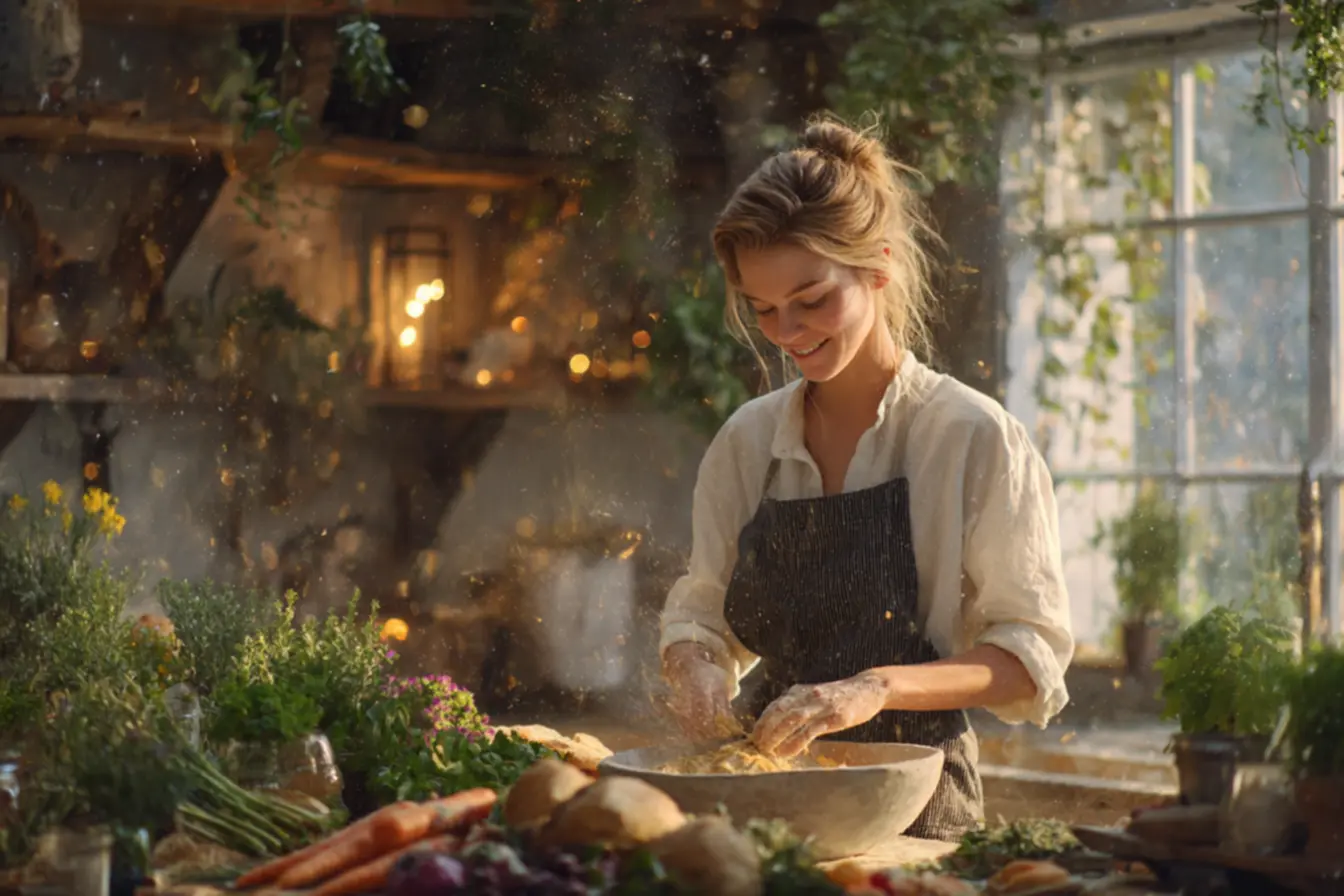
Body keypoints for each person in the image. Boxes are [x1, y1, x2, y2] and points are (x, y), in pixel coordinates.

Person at [658, 116, 1074, 843]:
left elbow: (1028, 658)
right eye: (764, 310)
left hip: (915, 801)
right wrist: (695, 669)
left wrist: (875, 687)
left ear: (878, 267)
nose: (787, 334)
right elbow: (702, 616)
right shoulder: (748, 442)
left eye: (811, 300)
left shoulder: (972, 438)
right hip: (759, 791)